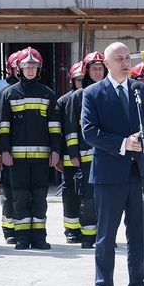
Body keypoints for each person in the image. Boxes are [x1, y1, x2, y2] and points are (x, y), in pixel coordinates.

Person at [82, 42, 144, 286]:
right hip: (109, 175)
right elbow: (89, 131)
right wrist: (122, 143)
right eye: (119, 58)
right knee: (106, 235)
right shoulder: (93, 93)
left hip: (139, 173)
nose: (125, 62)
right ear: (106, 64)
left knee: (139, 235)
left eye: (128, 57)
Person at [0, 47, 61, 249]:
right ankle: (23, 238)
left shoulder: (48, 94)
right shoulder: (9, 94)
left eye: (34, 66)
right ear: (19, 69)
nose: (31, 70)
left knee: (40, 197)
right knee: (20, 196)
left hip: (42, 158)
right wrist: (4, 151)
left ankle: (39, 237)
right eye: (26, 66)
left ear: (39, 69)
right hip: (16, 159)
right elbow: (3, 127)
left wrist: (55, 151)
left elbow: (55, 127)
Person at [65, 51, 107, 248]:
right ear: (87, 71)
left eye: (100, 68)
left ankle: (105, 237)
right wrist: (73, 153)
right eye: (94, 69)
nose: (97, 72)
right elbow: (71, 128)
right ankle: (89, 236)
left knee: (108, 199)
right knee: (88, 198)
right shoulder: (78, 96)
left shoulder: (112, 93)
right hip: (86, 157)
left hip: (110, 158)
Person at [0, 51, 21, 244]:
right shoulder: (1, 94)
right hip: (8, 154)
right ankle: (9, 230)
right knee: (9, 193)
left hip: (30, 156)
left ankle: (24, 229)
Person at [58, 61, 85, 243]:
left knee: (89, 195)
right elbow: (58, 131)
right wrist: (59, 155)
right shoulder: (64, 101)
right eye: (78, 79)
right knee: (71, 194)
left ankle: (87, 228)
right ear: (72, 81)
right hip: (69, 158)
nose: (82, 83)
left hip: (90, 156)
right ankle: (71, 229)